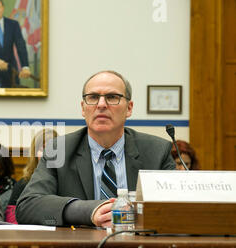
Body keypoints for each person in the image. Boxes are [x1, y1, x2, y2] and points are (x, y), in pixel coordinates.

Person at [16, 70, 176, 227]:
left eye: (112, 97)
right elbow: (28, 205)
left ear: (129, 108)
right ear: (83, 108)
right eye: (92, 97)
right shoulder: (59, 149)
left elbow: (177, 209)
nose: (101, 104)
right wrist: (89, 211)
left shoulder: (157, 151)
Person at [7, 128, 58, 223]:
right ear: (34, 153)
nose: (46, 154)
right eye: (42, 149)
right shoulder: (23, 184)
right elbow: (11, 220)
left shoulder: (67, 182)